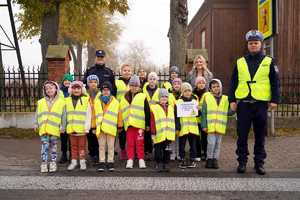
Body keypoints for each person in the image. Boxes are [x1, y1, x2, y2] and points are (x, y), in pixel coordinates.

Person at [229, 30, 280, 175]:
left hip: (260, 104)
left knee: (260, 136)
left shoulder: (269, 61)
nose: (253, 45)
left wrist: (275, 100)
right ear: (248, 45)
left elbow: (275, 82)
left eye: (256, 43)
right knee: (242, 135)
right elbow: (233, 82)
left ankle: (259, 163)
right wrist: (232, 99)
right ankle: (242, 162)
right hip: (244, 104)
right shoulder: (240, 62)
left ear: (260, 44)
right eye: (250, 43)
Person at [201, 79, 234, 169]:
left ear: (220, 87)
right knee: (211, 143)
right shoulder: (207, 97)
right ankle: (209, 159)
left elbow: (228, 112)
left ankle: (215, 159)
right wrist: (204, 125)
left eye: (217, 86)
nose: (216, 88)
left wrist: (234, 109)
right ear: (210, 89)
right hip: (210, 126)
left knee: (217, 144)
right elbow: (203, 112)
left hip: (220, 126)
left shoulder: (225, 99)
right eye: (213, 87)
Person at [119, 75, 150, 169]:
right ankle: (130, 159)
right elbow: (121, 111)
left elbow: (147, 111)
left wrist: (147, 124)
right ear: (129, 86)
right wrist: (121, 124)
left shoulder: (142, 96)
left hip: (139, 125)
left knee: (140, 143)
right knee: (130, 143)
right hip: (129, 125)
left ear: (139, 86)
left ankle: (141, 159)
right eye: (132, 85)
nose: (134, 87)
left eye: (136, 86)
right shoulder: (124, 97)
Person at [35, 81, 65, 173]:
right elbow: (37, 114)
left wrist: (63, 126)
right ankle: (44, 163)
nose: (49, 90)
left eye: (51, 88)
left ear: (56, 89)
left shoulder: (61, 102)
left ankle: (53, 162)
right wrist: (36, 124)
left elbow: (63, 116)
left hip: (54, 129)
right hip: (44, 129)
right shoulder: (40, 102)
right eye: (47, 88)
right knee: (44, 147)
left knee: (53, 147)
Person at [65, 81, 92, 171]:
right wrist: (64, 126)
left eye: (78, 88)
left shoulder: (85, 100)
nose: (76, 90)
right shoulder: (67, 100)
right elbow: (65, 115)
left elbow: (88, 115)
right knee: (73, 147)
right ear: (70, 89)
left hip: (82, 129)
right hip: (71, 128)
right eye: (74, 88)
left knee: (82, 147)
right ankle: (74, 161)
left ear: (82, 89)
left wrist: (87, 127)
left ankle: (82, 161)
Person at [95, 82, 120, 172]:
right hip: (100, 127)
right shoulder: (97, 101)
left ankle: (110, 162)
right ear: (101, 91)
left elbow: (119, 114)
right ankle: (101, 162)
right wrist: (94, 126)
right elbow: (95, 115)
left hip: (111, 127)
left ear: (110, 91)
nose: (105, 92)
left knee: (110, 146)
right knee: (101, 146)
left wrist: (120, 125)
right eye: (103, 90)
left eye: (107, 90)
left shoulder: (116, 102)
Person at [150, 89, 176, 172]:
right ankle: (158, 163)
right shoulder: (154, 108)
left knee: (167, 150)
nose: (164, 98)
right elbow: (152, 121)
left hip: (168, 134)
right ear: (159, 98)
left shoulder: (171, 108)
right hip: (159, 133)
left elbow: (173, 120)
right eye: (162, 97)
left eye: (166, 97)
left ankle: (166, 163)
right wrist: (153, 132)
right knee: (158, 150)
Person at [175, 82, 200, 168]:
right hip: (183, 128)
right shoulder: (179, 101)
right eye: (185, 91)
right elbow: (177, 116)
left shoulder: (194, 101)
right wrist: (177, 127)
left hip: (192, 128)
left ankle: (192, 159)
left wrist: (198, 110)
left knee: (193, 145)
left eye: (189, 90)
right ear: (182, 92)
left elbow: (197, 114)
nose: (187, 93)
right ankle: (182, 159)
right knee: (182, 145)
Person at [115, 64, 132, 160]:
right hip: (120, 110)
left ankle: (132, 151)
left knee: (131, 132)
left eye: (128, 70)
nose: (127, 72)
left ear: (131, 72)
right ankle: (122, 150)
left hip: (131, 111)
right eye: (125, 70)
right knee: (121, 132)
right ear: (121, 72)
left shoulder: (133, 82)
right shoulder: (116, 82)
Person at [143, 72, 160, 158]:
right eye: (150, 79)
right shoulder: (143, 90)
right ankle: (147, 151)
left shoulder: (160, 90)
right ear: (148, 80)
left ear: (156, 81)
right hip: (146, 114)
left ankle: (156, 150)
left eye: (154, 79)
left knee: (155, 133)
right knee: (147, 133)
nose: (152, 81)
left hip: (156, 115)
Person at [59, 73, 73, 164]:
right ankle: (64, 154)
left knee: (71, 138)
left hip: (72, 118)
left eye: (69, 80)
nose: (67, 82)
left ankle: (72, 155)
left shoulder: (73, 91)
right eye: (65, 80)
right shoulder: (59, 92)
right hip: (62, 118)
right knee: (63, 138)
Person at [86, 75, 101, 164]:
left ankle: (97, 154)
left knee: (97, 139)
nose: (93, 84)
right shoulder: (85, 94)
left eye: (95, 82)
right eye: (91, 82)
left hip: (97, 120)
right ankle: (92, 154)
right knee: (90, 139)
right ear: (88, 84)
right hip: (88, 121)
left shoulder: (100, 93)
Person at [168, 78, 182, 160]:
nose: (177, 85)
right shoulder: (169, 95)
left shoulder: (183, 94)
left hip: (181, 119)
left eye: (178, 84)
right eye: (175, 84)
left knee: (180, 138)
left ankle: (179, 153)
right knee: (172, 137)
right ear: (172, 85)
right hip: (171, 118)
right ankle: (172, 153)